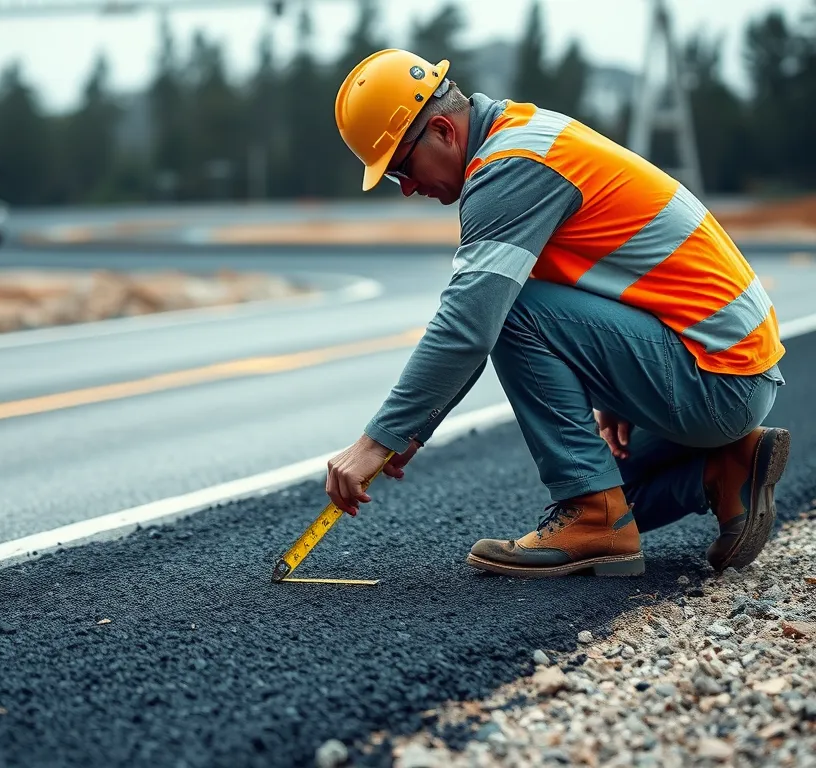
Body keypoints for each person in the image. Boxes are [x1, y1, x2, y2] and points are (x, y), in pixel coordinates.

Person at [324, 48, 791, 578]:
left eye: (401, 169)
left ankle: (594, 516)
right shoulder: (526, 135)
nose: (407, 187)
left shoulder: (508, 170)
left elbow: (469, 326)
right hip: (730, 368)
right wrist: (618, 386)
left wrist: (376, 441)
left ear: (443, 131)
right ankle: (724, 469)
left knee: (511, 313)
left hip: (715, 379)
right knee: (616, 481)